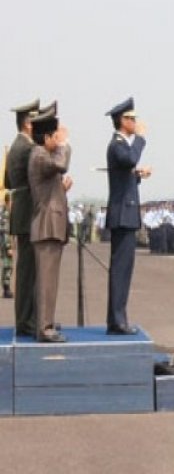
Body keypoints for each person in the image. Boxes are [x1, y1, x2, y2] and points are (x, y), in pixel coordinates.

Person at [104, 97, 151, 335]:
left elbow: (127, 172)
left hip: (125, 213)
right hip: (123, 214)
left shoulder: (121, 145)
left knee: (123, 269)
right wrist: (141, 138)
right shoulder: (118, 145)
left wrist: (138, 175)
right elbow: (130, 159)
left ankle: (117, 318)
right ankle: (117, 321)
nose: (136, 123)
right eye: (132, 119)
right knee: (121, 269)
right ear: (123, 121)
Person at [28, 109, 72, 342]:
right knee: (46, 281)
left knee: (49, 281)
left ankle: (46, 323)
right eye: (55, 136)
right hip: (46, 227)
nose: (58, 140)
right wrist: (65, 144)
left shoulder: (43, 157)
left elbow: (46, 190)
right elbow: (62, 164)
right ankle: (44, 329)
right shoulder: (40, 155)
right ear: (46, 138)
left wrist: (61, 190)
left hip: (50, 226)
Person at [5, 98, 41, 336]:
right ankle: (26, 321)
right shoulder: (26, 148)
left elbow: (8, 182)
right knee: (28, 272)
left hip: (22, 211)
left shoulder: (15, 146)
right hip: (28, 213)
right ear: (28, 124)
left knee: (28, 270)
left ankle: (30, 319)